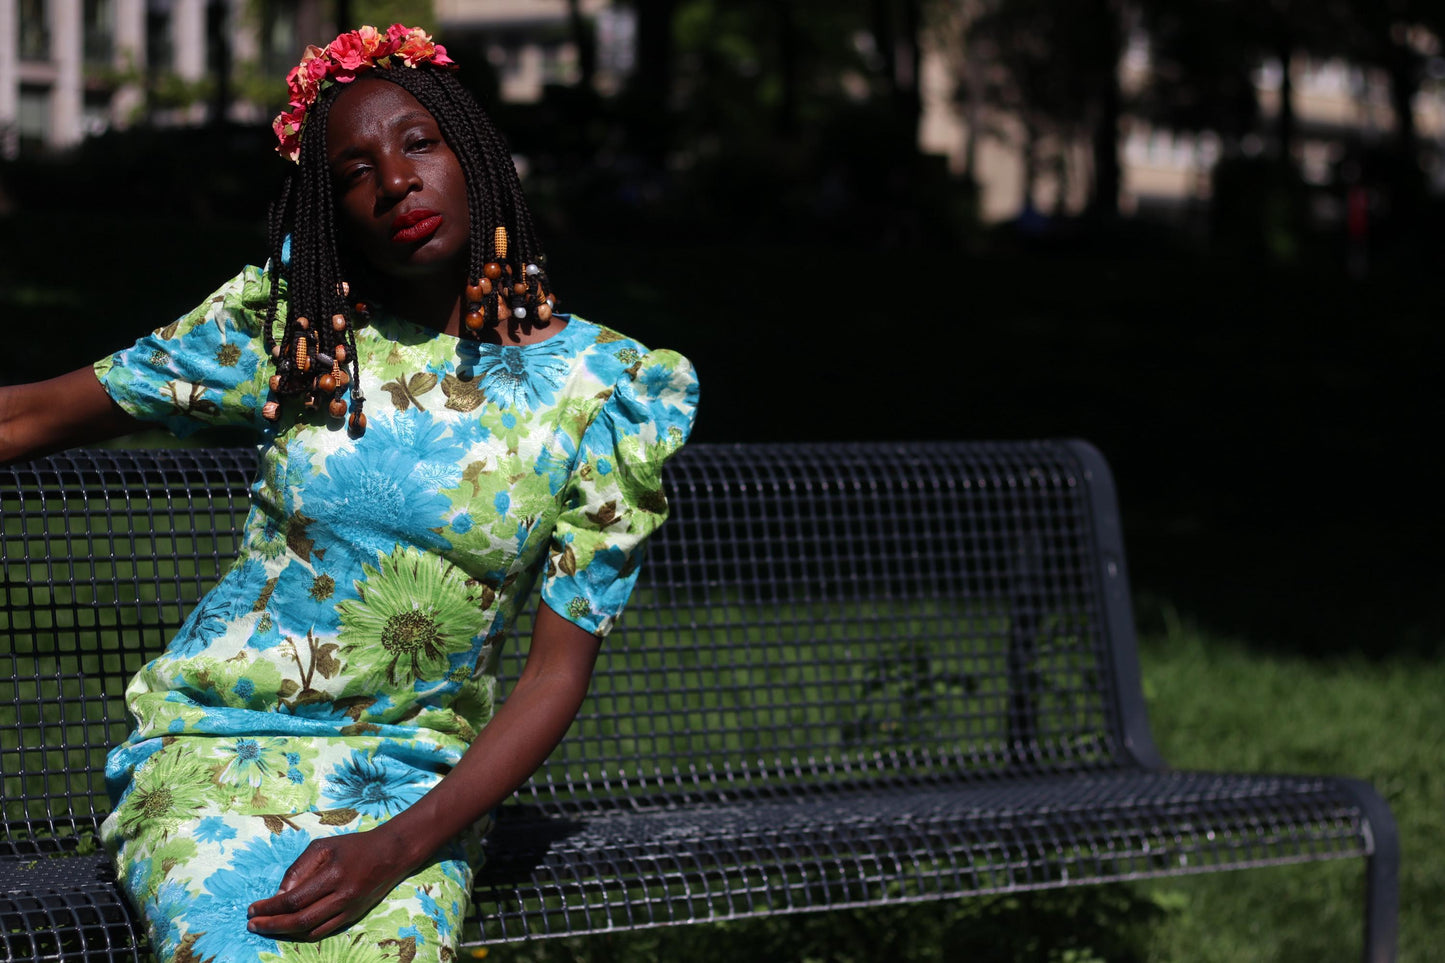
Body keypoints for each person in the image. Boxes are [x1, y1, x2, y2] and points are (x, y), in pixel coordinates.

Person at [0, 24, 698, 963]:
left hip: (409, 786)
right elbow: (29, 417)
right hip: (216, 756)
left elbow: (552, 676)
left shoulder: (607, 393)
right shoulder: (303, 333)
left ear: (475, 154)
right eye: (353, 172)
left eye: (418, 143)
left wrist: (398, 846)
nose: (395, 182)